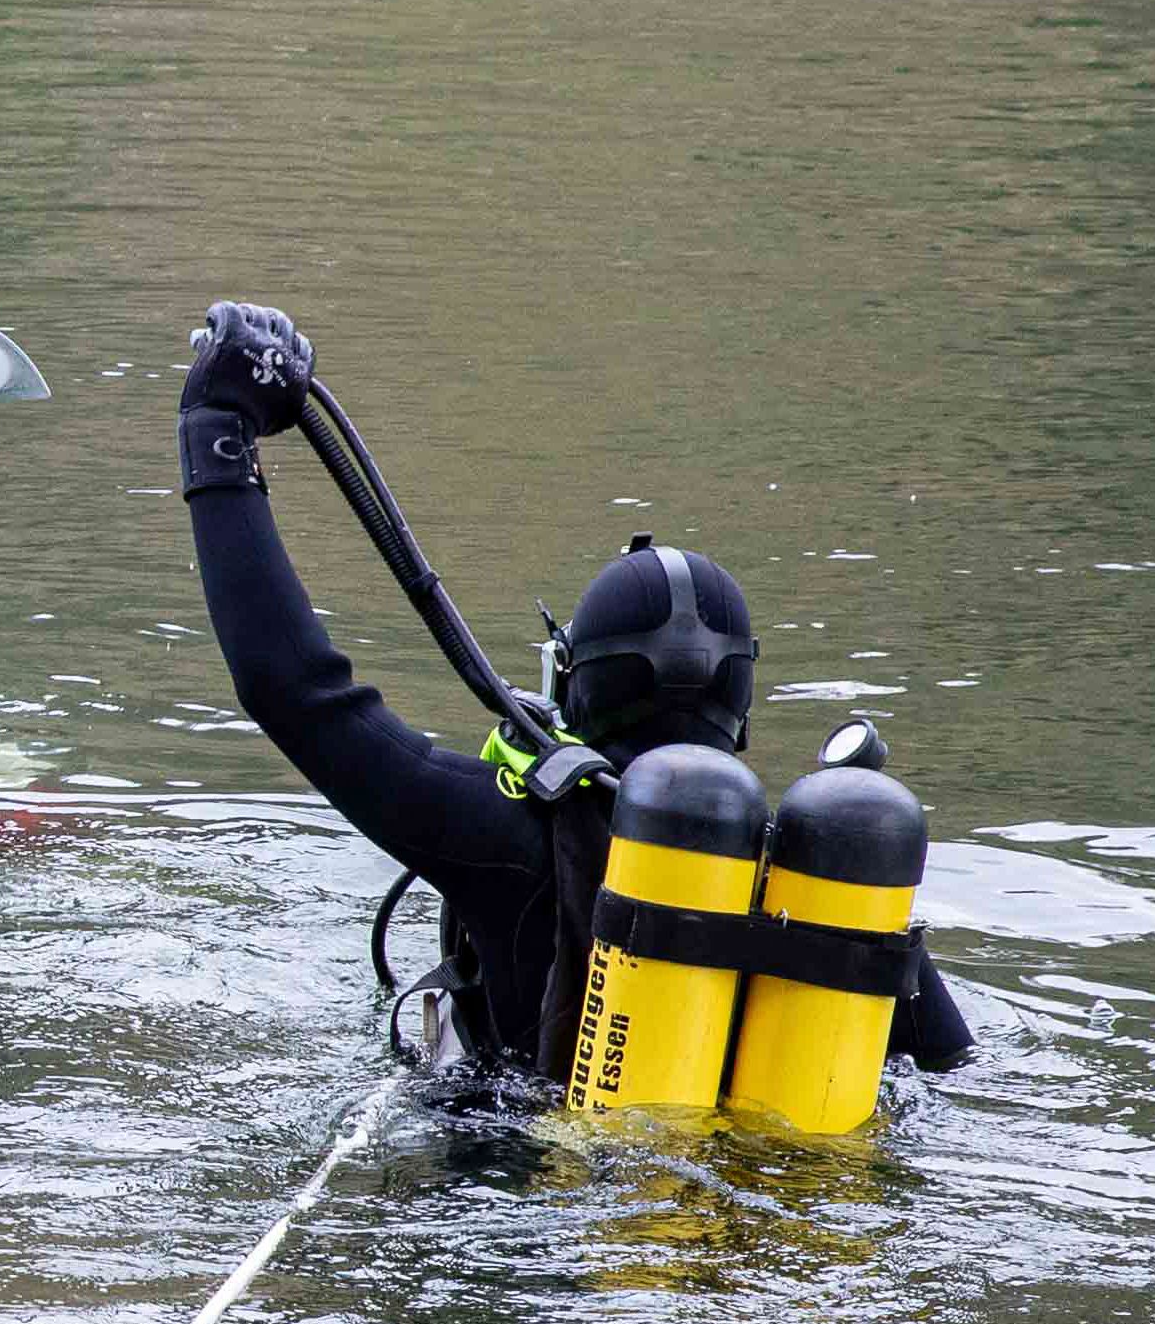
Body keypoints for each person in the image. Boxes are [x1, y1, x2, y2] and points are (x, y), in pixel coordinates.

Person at [175, 298, 974, 1090]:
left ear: (574, 684)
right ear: (742, 704)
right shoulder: (829, 874)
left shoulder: (512, 838)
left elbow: (296, 691)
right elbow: (960, 1070)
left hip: (541, 1199)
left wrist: (216, 430)